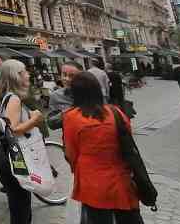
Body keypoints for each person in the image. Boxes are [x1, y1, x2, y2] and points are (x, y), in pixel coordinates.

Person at [63, 72, 143, 224]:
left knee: (97, 218)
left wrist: (76, 168)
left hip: (91, 179)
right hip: (120, 177)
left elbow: (71, 151)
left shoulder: (72, 117)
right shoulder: (115, 112)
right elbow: (127, 142)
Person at [0, 59, 43, 224]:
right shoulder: (13, 99)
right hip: (15, 161)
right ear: (16, 76)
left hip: (9, 159)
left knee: (19, 206)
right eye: (24, 72)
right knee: (21, 208)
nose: (28, 74)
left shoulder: (7, 97)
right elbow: (12, 130)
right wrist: (35, 120)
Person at [47, 60, 83, 129]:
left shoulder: (90, 91)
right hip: (71, 136)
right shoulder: (56, 96)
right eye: (64, 74)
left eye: (72, 76)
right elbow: (51, 124)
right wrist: (69, 112)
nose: (67, 79)